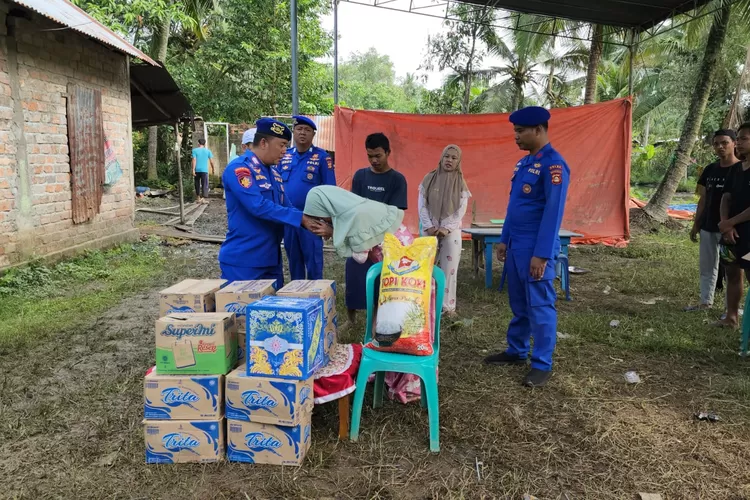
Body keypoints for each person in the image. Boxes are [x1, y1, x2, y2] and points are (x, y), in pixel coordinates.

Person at [483, 106, 570, 388]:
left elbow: (553, 213)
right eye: (515, 131)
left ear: (539, 130)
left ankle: (542, 363)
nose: (516, 137)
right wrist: (504, 240)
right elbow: (514, 207)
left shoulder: (554, 165)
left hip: (536, 248)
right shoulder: (523, 164)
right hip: (517, 245)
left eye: (520, 131)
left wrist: (542, 254)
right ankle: (517, 350)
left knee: (540, 306)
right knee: (519, 303)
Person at [218, 118, 325, 287]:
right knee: (241, 312)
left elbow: (287, 206)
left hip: (270, 260)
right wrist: (301, 219)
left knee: (271, 312)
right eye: (281, 145)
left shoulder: (274, 173)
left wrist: (314, 222)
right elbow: (257, 206)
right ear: (263, 143)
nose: (285, 151)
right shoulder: (240, 169)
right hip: (244, 260)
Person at [343, 133, 408, 330]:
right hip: (360, 237)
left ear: (388, 153)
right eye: (370, 156)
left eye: (378, 155)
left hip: (384, 239)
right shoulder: (361, 176)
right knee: (353, 276)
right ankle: (351, 319)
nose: (374, 160)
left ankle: (376, 320)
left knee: (381, 281)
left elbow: (395, 213)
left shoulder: (397, 180)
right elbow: (354, 207)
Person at [685, 130, 741, 312]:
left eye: (724, 143)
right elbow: (703, 199)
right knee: (707, 266)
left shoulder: (742, 169)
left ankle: (731, 309)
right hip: (709, 226)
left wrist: (731, 224)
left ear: (734, 143)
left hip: (732, 230)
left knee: (733, 270)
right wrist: (696, 224)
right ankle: (705, 303)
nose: (720, 147)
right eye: (716, 144)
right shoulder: (710, 169)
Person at [418, 144, 471, 318]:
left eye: (454, 158)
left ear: (459, 162)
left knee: (450, 268)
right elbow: (422, 204)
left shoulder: (461, 184)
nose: (449, 160)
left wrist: (445, 228)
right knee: (425, 266)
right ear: (441, 158)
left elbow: (460, 209)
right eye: (446, 156)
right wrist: (431, 226)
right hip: (429, 226)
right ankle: (424, 304)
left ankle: (448, 308)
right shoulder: (429, 178)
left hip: (451, 229)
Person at [281, 116, 337, 281]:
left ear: (313, 134)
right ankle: (297, 295)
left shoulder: (322, 157)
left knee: (313, 262)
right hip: (290, 218)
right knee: (294, 261)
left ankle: (314, 295)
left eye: (307, 130)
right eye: (299, 129)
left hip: (312, 220)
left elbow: (330, 191)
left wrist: (329, 222)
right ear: (293, 132)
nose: (302, 133)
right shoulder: (285, 155)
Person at [303, 185, 405, 258]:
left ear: (327, 209)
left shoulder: (356, 216)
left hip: (401, 260)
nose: (323, 222)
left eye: (321, 218)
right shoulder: (353, 207)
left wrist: (333, 233)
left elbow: (361, 257)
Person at [717, 123, 750, 328]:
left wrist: (731, 222)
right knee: (731, 272)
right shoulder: (737, 168)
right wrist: (726, 225)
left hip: (748, 234)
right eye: (738, 138)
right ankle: (731, 317)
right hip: (730, 233)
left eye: (744, 138)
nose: (738, 142)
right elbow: (725, 197)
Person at [192, 138, 215, 205]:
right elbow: (211, 161)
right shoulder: (208, 151)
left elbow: (194, 160)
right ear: (204, 144)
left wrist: (193, 169)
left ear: (198, 143)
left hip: (197, 170)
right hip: (204, 170)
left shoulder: (194, 150)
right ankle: (203, 198)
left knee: (197, 183)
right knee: (205, 184)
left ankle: (198, 198)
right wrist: (213, 169)